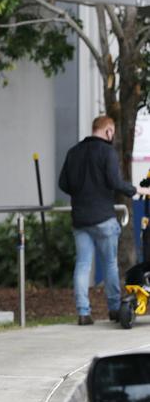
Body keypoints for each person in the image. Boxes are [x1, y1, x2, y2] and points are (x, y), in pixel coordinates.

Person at [59, 115, 150, 325]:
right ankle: (114, 309)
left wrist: (81, 191)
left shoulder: (74, 152)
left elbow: (63, 183)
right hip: (103, 217)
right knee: (109, 264)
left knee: (82, 265)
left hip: (80, 218)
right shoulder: (107, 152)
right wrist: (139, 189)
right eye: (113, 132)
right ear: (108, 130)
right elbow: (115, 182)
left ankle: (83, 312)